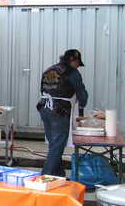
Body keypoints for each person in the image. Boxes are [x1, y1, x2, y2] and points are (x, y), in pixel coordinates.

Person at [37, 49, 88, 177]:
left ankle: (59, 175)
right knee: (57, 146)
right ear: (73, 61)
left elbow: (42, 90)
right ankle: (44, 177)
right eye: (78, 63)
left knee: (54, 145)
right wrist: (82, 108)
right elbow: (82, 95)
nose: (78, 66)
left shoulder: (50, 70)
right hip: (59, 112)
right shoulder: (72, 73)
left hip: (44, 108)